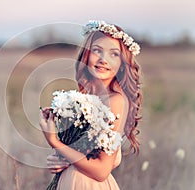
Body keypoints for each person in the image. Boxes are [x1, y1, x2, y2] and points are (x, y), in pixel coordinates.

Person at [39, 20, 143, 190]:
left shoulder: (115, 100)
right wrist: (61, 159)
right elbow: (84, 155)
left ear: (122, 64)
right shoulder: (86, 99)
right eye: (97, 50)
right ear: (86, 54)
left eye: (114, 54)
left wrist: (55, 141)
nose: (103, 59)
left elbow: (101, 170)